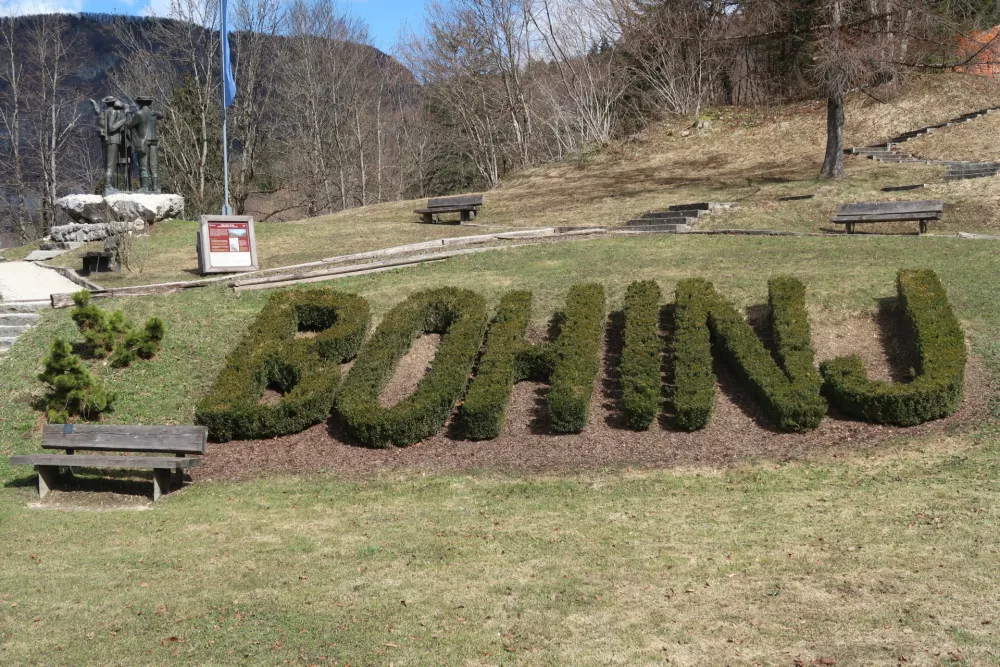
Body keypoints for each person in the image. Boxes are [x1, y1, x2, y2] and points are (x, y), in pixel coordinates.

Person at [126, 96, 164, 192]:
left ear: (140, 103)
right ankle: (156, 187)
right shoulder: (154, 113)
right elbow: (162, 115)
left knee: (143, 165)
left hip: (143, 141)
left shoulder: (139, 114)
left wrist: (128, 115)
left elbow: (130, 126)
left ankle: (145, 187)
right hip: (154, 140)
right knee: (154, 166)